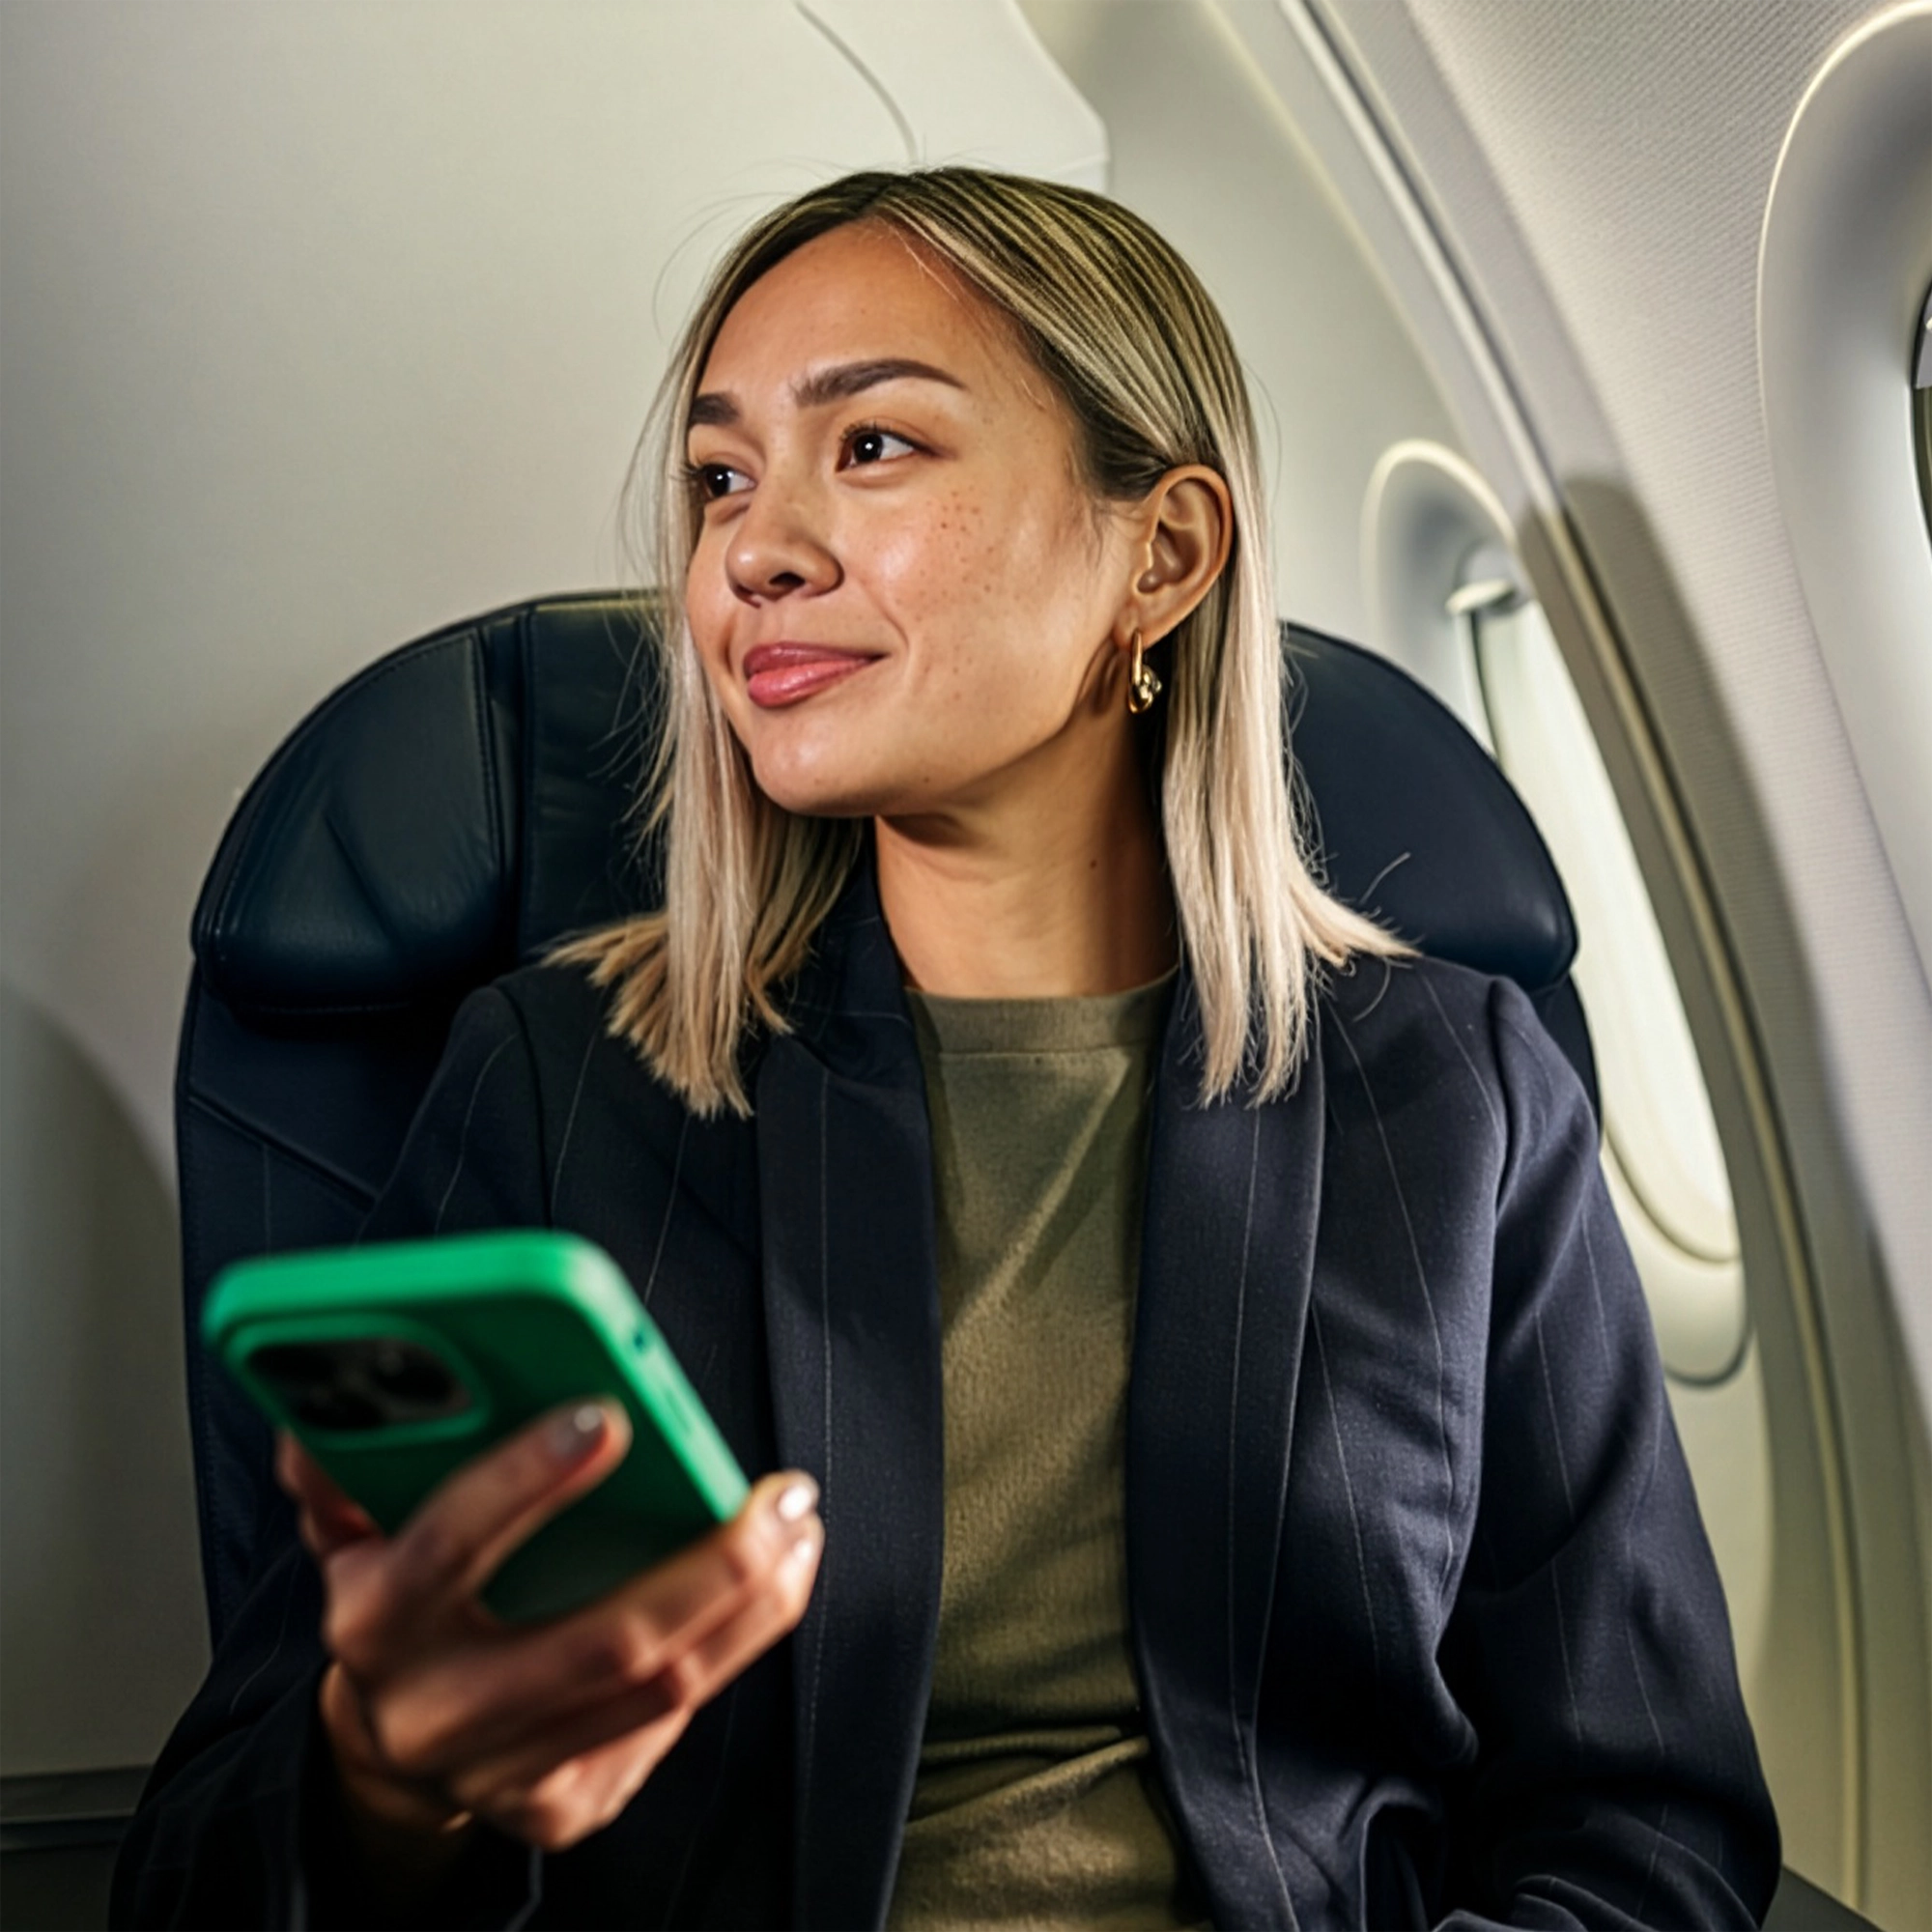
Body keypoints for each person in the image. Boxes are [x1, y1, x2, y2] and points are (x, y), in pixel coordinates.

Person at [114, 167, 1778, 1931]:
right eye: (720, 478)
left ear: (1164, 554)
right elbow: (209, 1863)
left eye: (877, 447)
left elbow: (1643, 1827)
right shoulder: (559, 1079)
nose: (753, 549)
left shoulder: (1463, 1102)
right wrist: (385, 1782)